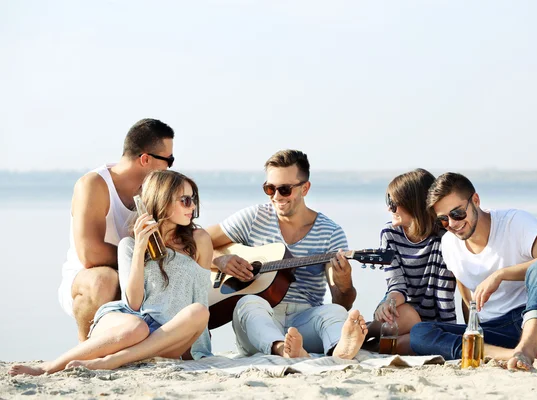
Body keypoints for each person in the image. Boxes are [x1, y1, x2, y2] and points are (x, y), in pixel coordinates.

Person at [10, 170, 212, 376]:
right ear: (163, 201)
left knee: (199, 312)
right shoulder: (129, 245)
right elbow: (133, 303)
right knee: (137, 327)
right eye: (185, 200)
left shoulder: (199, 241)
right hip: (130, 323)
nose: (193, 206)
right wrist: (140, 248)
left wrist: (193, 343)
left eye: (193, 199)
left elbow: (200, 298)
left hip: (167, 336)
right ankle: (49, 367)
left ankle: (112, 360)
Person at [409, 172, 537, 371]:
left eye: (457, 213)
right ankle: (512, 354)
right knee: (420, 333)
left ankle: (526, 348)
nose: (453, 224)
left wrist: (501, 275)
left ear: (475, 200)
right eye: (443, 220)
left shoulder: (514, 222)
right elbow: (469, 302)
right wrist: (471, 330)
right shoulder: (448, 244)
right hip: (500, 333)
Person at [206, 149, 368, 360]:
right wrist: (220, 260)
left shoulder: (330, 232)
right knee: (246, 304)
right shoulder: (254, 217)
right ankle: (283, 349)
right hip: (258, 322)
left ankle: (340, 350)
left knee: (335, 313)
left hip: (305, 319)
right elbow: (195, 241)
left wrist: (344, 282)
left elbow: (342, 302)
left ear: (305, 188)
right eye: (269, 188)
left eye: (284, 190)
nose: (276, 196)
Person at [58, 118, 176, 341]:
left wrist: (217, 259)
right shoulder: (94, 185)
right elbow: (90, 255)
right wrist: (141, 257)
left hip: (138, 275)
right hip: (90, 279)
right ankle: (86, 351)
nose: (170, 167)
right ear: (145, 159)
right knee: (105, 280)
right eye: (168, 160)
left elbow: (181, 238)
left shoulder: (155, 190)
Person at [365, 169, 457, 354]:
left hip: (429, 324)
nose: (389, 209)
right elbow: (396, 285)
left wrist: (449, 330)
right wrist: (387, 304)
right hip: (401, 311)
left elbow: (443, 294)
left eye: (393, 203)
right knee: (409, 316)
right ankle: (364, 331)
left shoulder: (444, 239)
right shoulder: (389, 235)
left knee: (414, 339)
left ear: (412, 204)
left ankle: (366, 347)